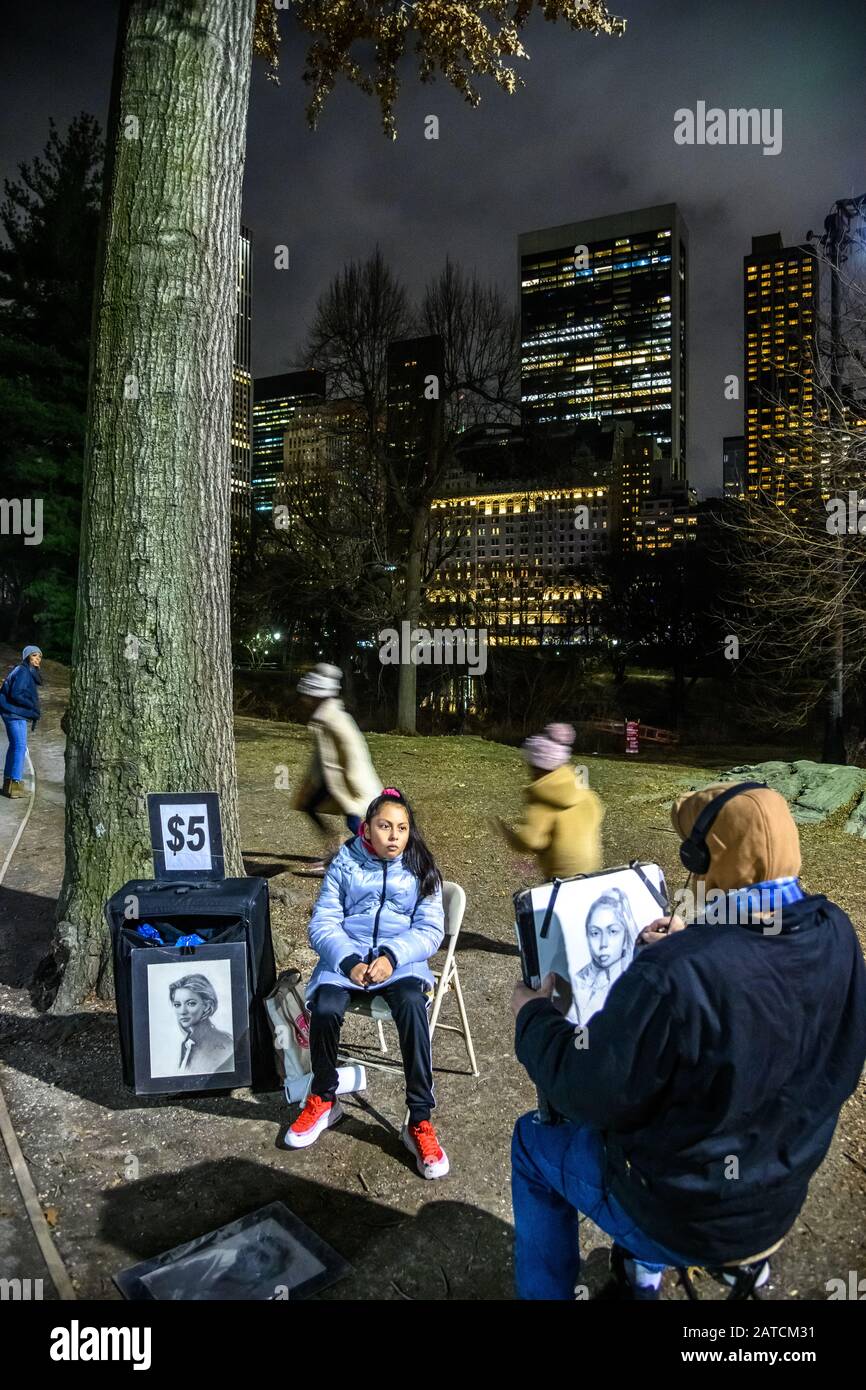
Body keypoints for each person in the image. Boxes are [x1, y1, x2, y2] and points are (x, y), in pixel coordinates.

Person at [509, 781, 866, 1300]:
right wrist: (697, 942)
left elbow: (589, 1091)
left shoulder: (677, 974)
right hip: (778, 1202)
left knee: (532, 1144)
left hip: (683, 1215)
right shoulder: (837, 931)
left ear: (705, 857)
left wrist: (534, 1017)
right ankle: (641, 1273)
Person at [287, 787, 449, 1179]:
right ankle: (324, 1099)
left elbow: (431, 929)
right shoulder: (345, 862)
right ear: (367, 829)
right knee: (324, 1007)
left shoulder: (422, 866)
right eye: (385, 826)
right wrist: (348, 960)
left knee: (413, 1006)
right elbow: (322, 921)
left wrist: (392, 956)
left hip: (400, 963)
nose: (394, 835)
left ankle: (420, 1121)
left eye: (402, 828)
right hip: (348, 959)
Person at [291, 663, 381, 875]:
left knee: (354, 821)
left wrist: (349, 788)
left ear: (317, 696)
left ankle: (370, 856)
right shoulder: (331, 716)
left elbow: (335, 760)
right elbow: (325, 759)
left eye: (307, 696)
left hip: (346, 780)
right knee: (316, 808)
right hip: (340, 780)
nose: (304, 701)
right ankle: (342, 852)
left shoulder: (328, 720)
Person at [494, 722, 604, 881]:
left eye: (531, 766)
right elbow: (596, 810)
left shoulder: (543, 796)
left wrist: (507, 833)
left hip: (562, 875)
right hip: (592, 870)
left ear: (538, 768)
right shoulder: (578, 785)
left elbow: (531, 840)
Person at [0, 644, 43, 799]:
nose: (37, 659)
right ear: (27, 657)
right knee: (20, 747)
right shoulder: (24, 671)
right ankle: (16, 785)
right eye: (34, 655)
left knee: (14, 747)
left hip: (10, 712)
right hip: (15, 714)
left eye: (39, 656)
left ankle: (8, 784)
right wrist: (32, 705)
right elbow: (16, 693)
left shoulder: (23, 671)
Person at [170, 974, 235, 1075]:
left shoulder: (225, 1045)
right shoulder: (187, 1044)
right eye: (177, 1005)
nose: (182, 1011)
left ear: (207, 1006)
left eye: (191, 1003)